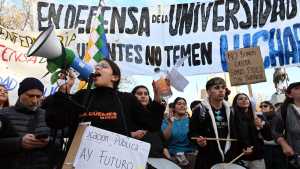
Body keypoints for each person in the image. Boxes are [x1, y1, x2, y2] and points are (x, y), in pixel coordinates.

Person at [44, 59, 159, 149]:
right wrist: (63, 92)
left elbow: (153, 124)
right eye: (96, 67)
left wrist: (158, 97)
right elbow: (55, 121)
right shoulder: (82, 95)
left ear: (115, 77)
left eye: (103, 66)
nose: (97, 67)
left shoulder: (127, 99)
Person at [0, 77, 57, 169]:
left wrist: (49, 142)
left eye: (38, 96)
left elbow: (62, 143)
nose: (35, 101)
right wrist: (19, 143)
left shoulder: (48, 116)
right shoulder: (3, 114)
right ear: (20, 94)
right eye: (30, 96)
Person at [188, 77, 236, 169]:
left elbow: (236, 133)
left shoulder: (231, 110)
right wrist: (198, 140)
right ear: (209, 92)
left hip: (229, 158)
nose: (221, 90)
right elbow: (191, 134)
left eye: (223, 87)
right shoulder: (200, 110)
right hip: (207, 159)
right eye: (217, 88)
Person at [132, 85, 180, 169]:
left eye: (146, 94)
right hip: (138, 161)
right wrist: (132, 135)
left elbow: (163, 143)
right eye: (139, 93)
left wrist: (169, 160)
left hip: (159, 160)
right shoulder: (127, 116)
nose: (143, 96)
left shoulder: (154, 119)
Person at [232, 93, 265, 169]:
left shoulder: (258, 116)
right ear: (235, 102)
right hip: (240, 155)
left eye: (246, 98)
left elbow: (267, 135)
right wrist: (244, 147)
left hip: (257, 155)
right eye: (240, 99)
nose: (244, 100)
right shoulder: (232, 117)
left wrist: (261, 126)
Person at [161, 97, 196, 169]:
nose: (182, 106)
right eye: (179, 104)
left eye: (184, 104)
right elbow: (164, 138)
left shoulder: (192, 121)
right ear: (174, 108)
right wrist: (170, 124)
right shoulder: (166, 121)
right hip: (172, 158)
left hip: (190, 157)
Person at [272, 82, 300, 169]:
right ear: (289, 95)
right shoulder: (284, 111)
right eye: (297, 88)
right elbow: (276, 131)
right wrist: (284, 144)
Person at [257, 101, 286, 169]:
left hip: (277, 147)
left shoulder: (276, 116)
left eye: (265, 106)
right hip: (266, 147)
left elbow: (273, 127)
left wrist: (263, 124)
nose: (262, 107)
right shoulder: (261, 117)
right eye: (261, 106)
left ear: (271, 108)